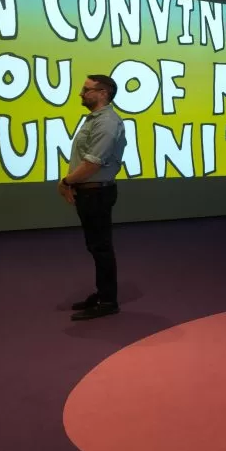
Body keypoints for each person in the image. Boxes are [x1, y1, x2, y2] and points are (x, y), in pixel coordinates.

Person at [59, 75, 127, 321]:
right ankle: (102, 294)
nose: (81, 93)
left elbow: (92, 163)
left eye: (86, 89)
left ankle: (108, 301)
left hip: (97, 193)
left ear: (103, 93)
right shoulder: (97, 120)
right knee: (97, 246)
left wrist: (66, 181)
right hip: (91, 192)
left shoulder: (107, 122)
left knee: (101, 247)